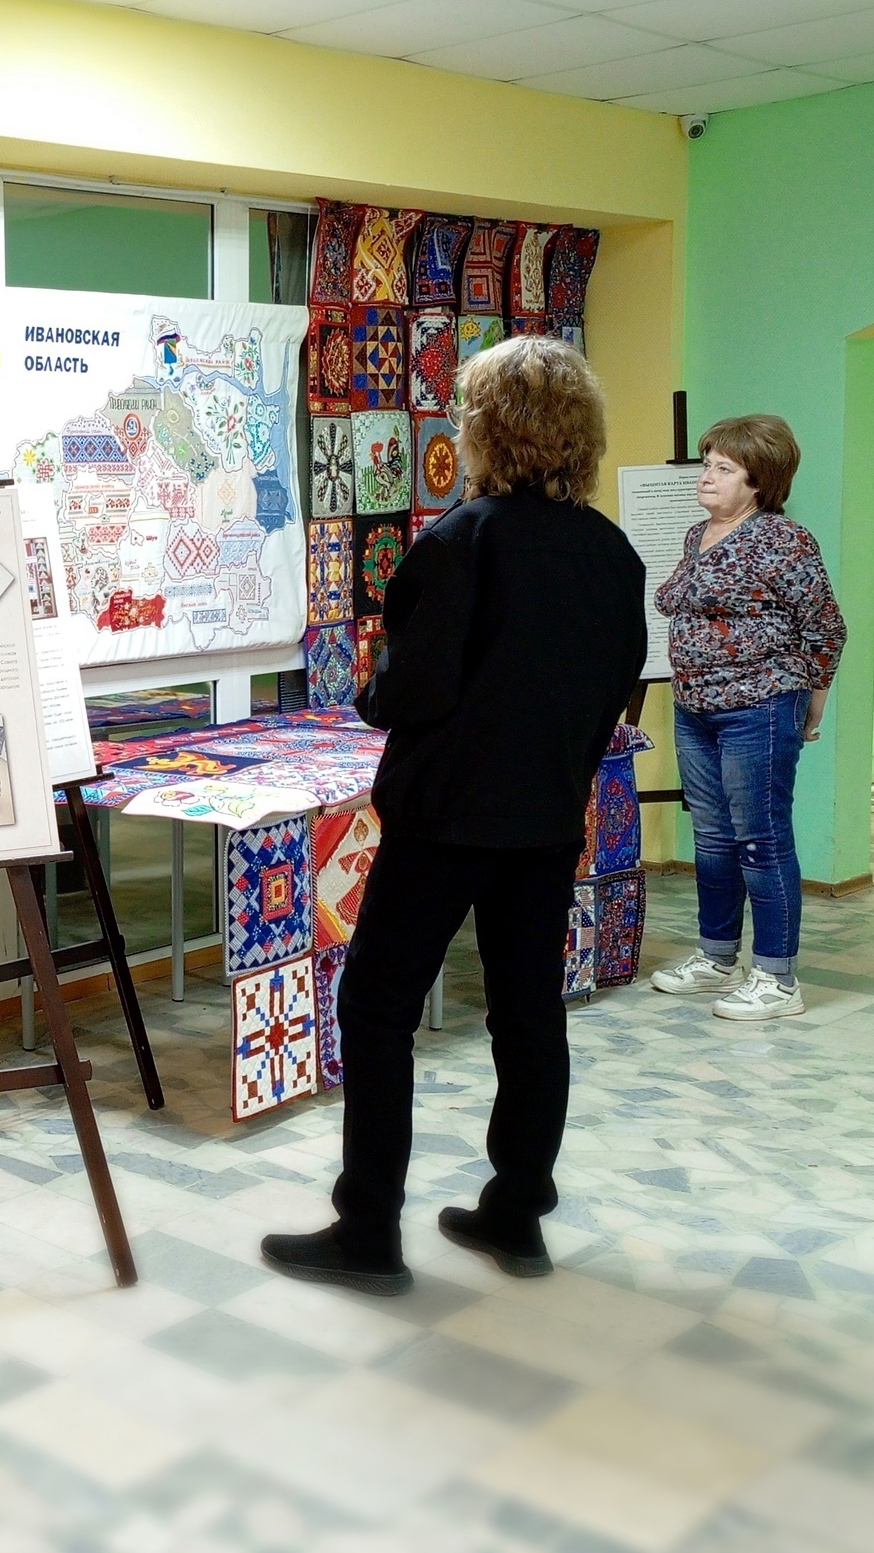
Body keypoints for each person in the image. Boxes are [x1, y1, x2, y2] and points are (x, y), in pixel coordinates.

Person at [264, 338, 646, 1295]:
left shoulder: (460, 541)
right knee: (528, 1015)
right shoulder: (613, 553)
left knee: (378, 1011)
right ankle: (517, 1214)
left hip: (443, 819)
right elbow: (614, 688)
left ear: (486, 429)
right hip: (546, 818)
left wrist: (372, 690)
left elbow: (409, 691)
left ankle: (367, 1232)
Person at [649, 415, 845, 1021]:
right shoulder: (696, 535)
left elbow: (826, 628)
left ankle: (778, 979)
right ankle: (717, 958)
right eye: (707, 464)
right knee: (712, 837)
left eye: (723, 468)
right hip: (695, 706)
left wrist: (812, 701)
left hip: (761, 704)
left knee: (761, 838)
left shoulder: (785, 540)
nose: (706, 476)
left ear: (758, 481)